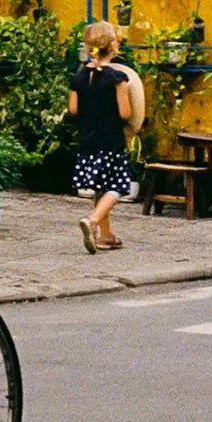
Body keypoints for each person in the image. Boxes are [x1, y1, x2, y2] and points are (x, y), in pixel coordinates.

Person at [69, 20, 133, 253]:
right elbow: (125, 113)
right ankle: (93, 220)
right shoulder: (117, 78)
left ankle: (106, 237)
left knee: (101, 188)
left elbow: (73, 109)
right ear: (113, 46)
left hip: (87, 142)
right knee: (118, 186)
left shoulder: (79, 78)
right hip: (110, 141)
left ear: (89, 47)